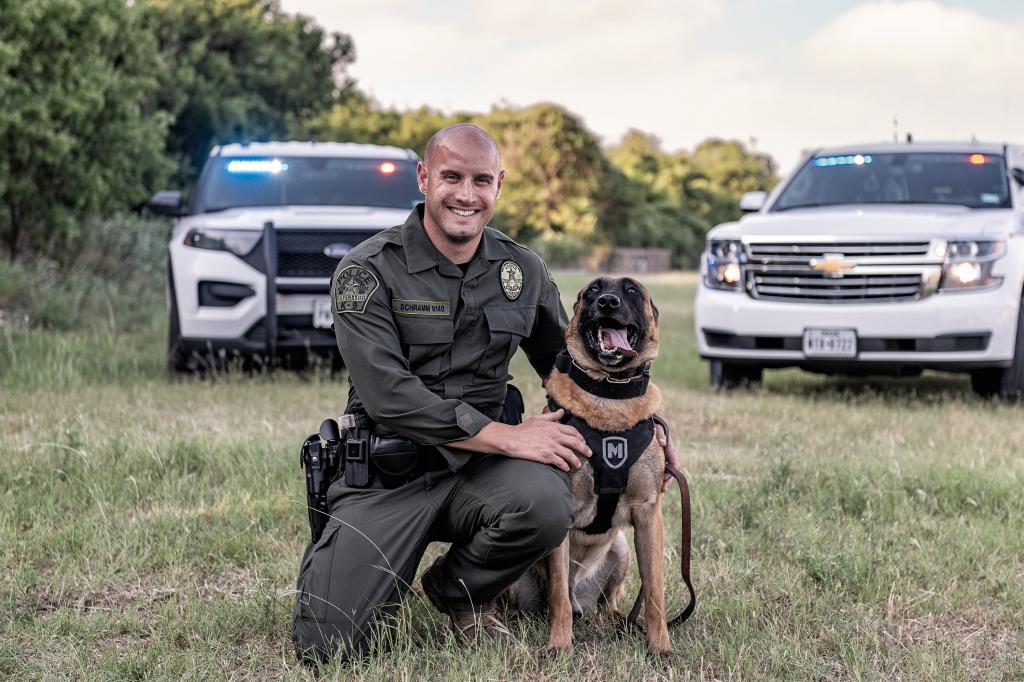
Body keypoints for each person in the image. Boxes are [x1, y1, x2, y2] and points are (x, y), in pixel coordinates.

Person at [291, 124, 677, 662]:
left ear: (499, 185)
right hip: (390, 473)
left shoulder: (522, 269)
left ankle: (457, 588)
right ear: (425, 178)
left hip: (482, 472)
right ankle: (347, 568)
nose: (466, 195)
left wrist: (639, 425)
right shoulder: (367, 271)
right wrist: (508, 437)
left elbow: (567, 365)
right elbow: (389, 397)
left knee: (549, 501)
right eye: (451, 177)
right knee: (329, 645)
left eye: (481, 181)